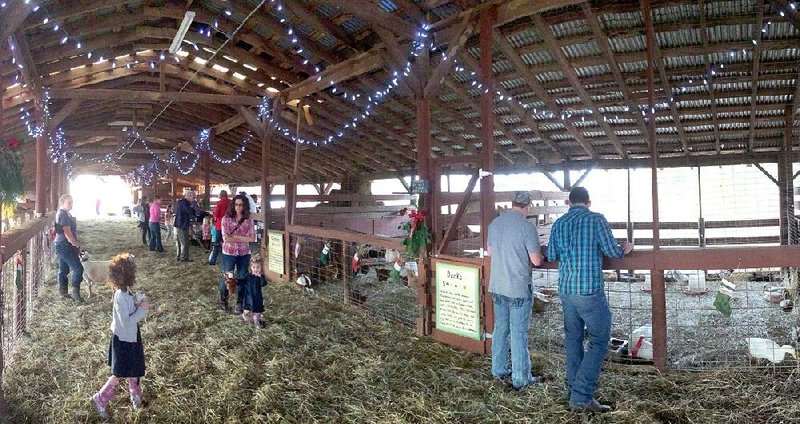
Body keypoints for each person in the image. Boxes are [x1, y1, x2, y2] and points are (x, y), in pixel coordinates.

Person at [547, 186, 633, 413]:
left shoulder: (559, 224)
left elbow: (552, 255)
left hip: (566, 290)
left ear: (569, 202)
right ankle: (582, 395)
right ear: (589, 201)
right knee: (599, 340)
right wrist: (625, 248)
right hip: (589, 291)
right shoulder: (596, 220)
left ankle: (574, 389)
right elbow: (612, 251)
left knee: (573, 340)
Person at [486, 191, 543, 391]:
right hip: (518, 287)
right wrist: (541, 256)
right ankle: (521, 378)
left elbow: (490, 252)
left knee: (501, 328)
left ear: (512, 204)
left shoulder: (495, 224)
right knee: (519, 333)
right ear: (528, 206)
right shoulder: (527, 227)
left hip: (498, 285)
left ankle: (498, 370)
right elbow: (536, 260)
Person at [90, 253, 149, 419]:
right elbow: (126, 321)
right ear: (129, 276)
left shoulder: (125, 291)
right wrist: (142, 309)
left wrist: (138, 298)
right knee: (120, 373)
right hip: (124, 339)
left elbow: (130, 301)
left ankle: (135, 394)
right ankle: (100, 399)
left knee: (136, 366)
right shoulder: (121, 296)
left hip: (131, 336)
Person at [219, 194, 255, 313]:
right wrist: (243, 238)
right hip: (229, 252)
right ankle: (223, 301)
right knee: (227, 277)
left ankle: (239, 304)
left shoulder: (249, 220)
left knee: (241, 279)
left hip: (244, 253)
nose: (238, 207)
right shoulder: (226, 219)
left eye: (241, 204)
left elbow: (252, 238)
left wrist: (234, 235)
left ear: (245, 206)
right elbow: (226, 238)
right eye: (236, 204)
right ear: (233, 205)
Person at [54, 194, 85, 303]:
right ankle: (75, 294)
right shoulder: (63, 214)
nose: (71, 204)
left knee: (64, 269)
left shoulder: (63, 213)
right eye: (69, 202)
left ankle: (63, 293)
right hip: (65, 244)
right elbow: (67, 231)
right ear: (62, 203)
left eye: (72, 202)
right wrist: (75, 243)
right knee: (78, 269)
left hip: (61, 244)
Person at [241, 256, 266, 326]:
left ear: (261, 268)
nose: (256, 269)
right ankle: (245, 316)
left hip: (257, 296)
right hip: (248, 296)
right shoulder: (248, 276)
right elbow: (242, 282)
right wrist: (235, 281)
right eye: (254, 267)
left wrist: (260, 277)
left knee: (258, 310)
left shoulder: (261, 276)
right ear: (250, 268)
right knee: (246, 310)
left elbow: (263, 284)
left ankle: (256, 320)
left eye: (258, 267)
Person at [209, 190, 230, 265]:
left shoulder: (219, 203)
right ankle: (227, 260)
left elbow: (217, 214)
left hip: (220, 225)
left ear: (220, 195)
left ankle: (213, 260)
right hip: (229, 225)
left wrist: (213, 213)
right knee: (228, 243)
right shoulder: (230, 202)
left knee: (217, 243)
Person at [175, 191, 196, 262]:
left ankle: (179, 256)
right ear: (189, 196)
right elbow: (189, 211)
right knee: (184, 242)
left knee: (180, 242)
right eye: (193, 197)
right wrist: (193, 207)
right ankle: (184, 258)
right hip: (182, 224)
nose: (193, 199)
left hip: (179, 223)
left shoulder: (181, 202)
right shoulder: (185, 203)